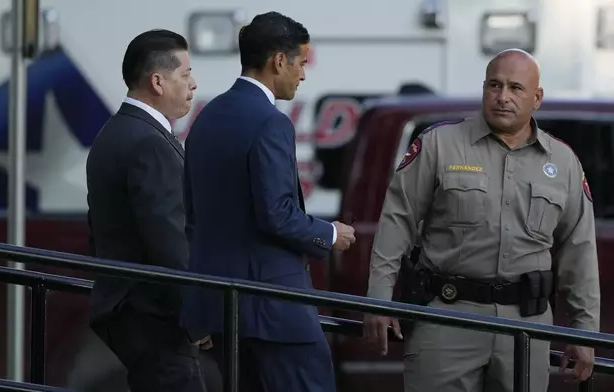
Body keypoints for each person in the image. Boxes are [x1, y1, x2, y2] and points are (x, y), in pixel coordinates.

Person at [363, 48, 600, 392]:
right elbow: (396, 222)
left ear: (537, 98)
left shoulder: (562, 162)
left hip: (527, 327)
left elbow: (579, 251)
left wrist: (584, 332)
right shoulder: (439, 144)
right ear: (484, 88)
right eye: (494, 85)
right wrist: (378, 300)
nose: (503, 97)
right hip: (447, 317)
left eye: (516, 88)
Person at [181, 11, 356, 392]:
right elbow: (277, 214)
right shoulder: (271, 121)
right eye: (301, 63)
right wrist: (329, 233)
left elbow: (193, 216)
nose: (303, 74)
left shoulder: (206, 117)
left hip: (221, 310)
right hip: (275, 312)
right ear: (279, 61)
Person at [86, 29, 208, 392]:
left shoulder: (115, 131)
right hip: (155, 315)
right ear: (157, 81)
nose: (194, 84)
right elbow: (168, 238)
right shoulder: (148, 142)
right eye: (185, 74)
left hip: (131, 309)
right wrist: (197, 311)